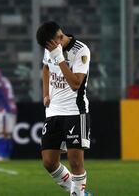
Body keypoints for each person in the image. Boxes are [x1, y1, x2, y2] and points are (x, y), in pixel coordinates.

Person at [36, 21, 92, 196]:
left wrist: (59, 58)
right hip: (53, 111)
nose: (49, 49)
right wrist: (46, 94)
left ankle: (77, 194)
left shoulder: (81, 50)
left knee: (75, 163)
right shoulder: (50, 47)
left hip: (75, 111)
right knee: (49, 162)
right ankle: (80, 193)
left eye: (52, 45)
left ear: (60, 37)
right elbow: (46, 68)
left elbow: (76, 83)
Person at [0, 64, 18, 161]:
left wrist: (3, 108)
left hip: (4, 109)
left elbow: (1, 96)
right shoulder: (5, 80)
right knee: (8, 134)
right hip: (12, 108)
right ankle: (6, 156)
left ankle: (0, 155)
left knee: (1, 133)